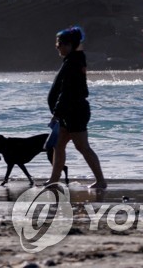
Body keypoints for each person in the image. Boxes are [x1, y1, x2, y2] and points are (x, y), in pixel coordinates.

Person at [45, 25, 107, 189]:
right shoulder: (72, 60)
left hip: (74, 112)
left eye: (60, 43)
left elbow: (68, 92)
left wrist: (57, 113)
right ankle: (54, 180)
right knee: (59, 145)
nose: (57, 46)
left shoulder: (73, 63)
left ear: (69, 45)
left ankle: (101, 181)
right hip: (69, 112)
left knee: (82, 147)